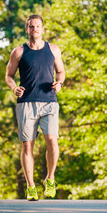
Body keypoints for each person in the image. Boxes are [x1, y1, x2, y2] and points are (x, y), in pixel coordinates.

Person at [5, 14, 66, 201]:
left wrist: (60, 83)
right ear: (27, 29)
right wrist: (14, 88)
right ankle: (31, 186)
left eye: (38, 26)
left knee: (52, 141)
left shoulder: (53, 50)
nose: (35, 29)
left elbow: (61, 71)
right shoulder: (18, 52)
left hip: (49, 101)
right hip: (26, 103)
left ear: (43, 29)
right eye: (31, 27)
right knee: (27, 146)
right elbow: (9, 75)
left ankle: (50, 178)